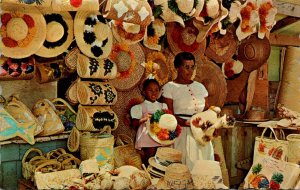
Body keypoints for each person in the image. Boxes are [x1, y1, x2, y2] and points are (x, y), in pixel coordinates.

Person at [161, 52, 214, 170]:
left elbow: (207, 109)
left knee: (203, 168)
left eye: (192, 67)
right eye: (186, 67)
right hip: (182, 133)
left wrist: (210, 120)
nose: (189, 71)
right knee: (186, 167)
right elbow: (168, 114)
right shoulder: (169, 88)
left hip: (201, 132)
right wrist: (186, 122)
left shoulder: (200, 87)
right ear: (177, 68)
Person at [130, 78, 168, 166]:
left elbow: (167, 120)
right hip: (147, 136)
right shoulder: (140, 107)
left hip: (159, 135)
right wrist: (144, 119)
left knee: (160, 158)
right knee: (149, 159)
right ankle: (148, 174)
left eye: (156, 90)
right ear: (144, 92)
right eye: (150, 90)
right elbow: (134, 123)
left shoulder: (162, 106)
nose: (153, 92)